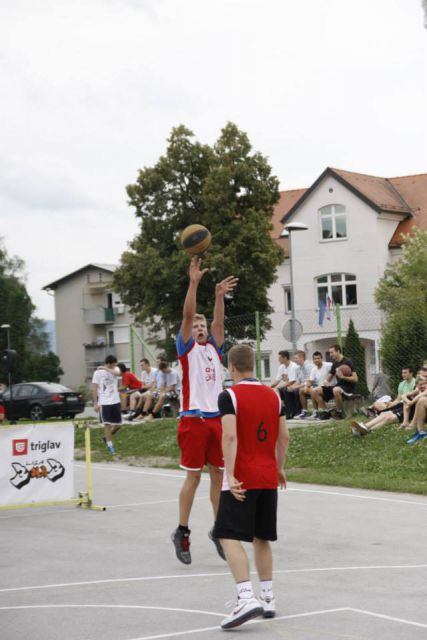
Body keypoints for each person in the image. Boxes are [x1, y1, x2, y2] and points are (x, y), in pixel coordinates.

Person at [212, 344, 289, 630]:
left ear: (231, 367)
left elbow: (230, 437)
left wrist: (230, 474)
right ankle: (268, 597)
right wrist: (279, 467)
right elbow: (284, 438)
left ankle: (246, 596)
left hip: (242, 476)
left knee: (226, 534)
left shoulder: (229, 395)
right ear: (253, 365)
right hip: (268, 475)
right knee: (262, 537)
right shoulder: (274, 396)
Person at [171, 257, 238, 565]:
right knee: (193, 478)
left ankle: (220, 529)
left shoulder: (213, 347)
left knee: (218, 477)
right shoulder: (186, 349)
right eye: (195, 325)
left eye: (201, 325)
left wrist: (219, 297)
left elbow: (219, 324)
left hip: (215, 422)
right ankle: (182, 531)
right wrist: (194, 282)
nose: (199, 328)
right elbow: (186, 313)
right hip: (193, 420)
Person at [351, 377, 427, 436]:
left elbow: (419, 397)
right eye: (420, 384)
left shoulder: (424, 393)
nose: (423, 386)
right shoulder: (417, 390)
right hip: (405, 408)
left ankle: (368, 430)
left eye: (424, 383)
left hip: (410, 412)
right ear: (416, 385)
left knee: (389, 418)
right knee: (384, 414)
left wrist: (410, 403)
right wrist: (408, 402)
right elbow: (404, 396)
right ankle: (365, 426)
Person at [311, 344, 358, 420]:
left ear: (338, 351)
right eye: (329, 353)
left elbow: (355, 379)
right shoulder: (335, 363)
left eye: (332, 352)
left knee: (336, 390)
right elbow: (330, 375)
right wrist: (326, 381)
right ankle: (326, 412)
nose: (330, 354)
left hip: (348, 388)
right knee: (314, 391)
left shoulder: (348, 362)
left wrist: (343, 377)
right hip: (338, 386)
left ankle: (339, 412)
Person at [92, 355, 122, 454]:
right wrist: (95, 403)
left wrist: (105, 368)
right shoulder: (97, 373)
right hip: (104, 402)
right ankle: (110, 447)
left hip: (115, 401)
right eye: (113, 364)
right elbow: (95, 388)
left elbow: (117, 373)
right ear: (109, 363)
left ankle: (106, 438)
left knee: (118, 425)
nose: (115, 366)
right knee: (107, 425)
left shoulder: (115, 369)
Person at [297, 351, 332, 420]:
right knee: (302, 390)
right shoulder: (314, 369)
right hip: (320, 388)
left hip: (329, 387)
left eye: (318, 358)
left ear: (322, 359)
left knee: (313, 390)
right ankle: (305, 412)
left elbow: (336, 369)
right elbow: (310, 381)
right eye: (315, 359)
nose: (316, 360)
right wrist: (307, 386)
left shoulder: (329, 365)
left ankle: (325, 411)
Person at [282, 350, 312, 419]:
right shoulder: (298, 368)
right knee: (286, 390)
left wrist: (295, 387)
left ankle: (300, 411)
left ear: (302, 358)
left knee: (296, 390)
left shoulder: (308, 366)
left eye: (296, 358)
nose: (295, 360)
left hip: (309, 385)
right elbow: (298, 381)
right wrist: (291, 386)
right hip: (302, 386)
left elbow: (308, 381)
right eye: (294, 358)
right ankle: (290, 412)